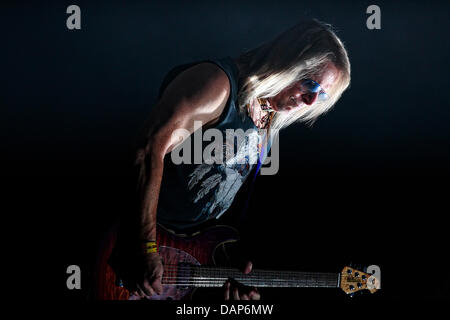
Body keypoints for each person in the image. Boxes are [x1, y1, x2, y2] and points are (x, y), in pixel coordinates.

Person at [111, 18, 351, 300]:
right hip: (129, 244)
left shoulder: (267, 122)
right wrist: (144, 244)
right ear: (286, 63)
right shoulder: (218, 84)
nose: (311, 101)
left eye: (322, 95)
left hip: (173, 257)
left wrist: (225, 260)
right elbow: (147, 149)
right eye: (310, 83)